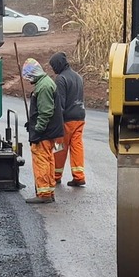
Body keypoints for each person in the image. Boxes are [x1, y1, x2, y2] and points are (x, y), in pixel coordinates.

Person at [21, 58, 62, 204]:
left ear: (32, 74)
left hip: (44, 132)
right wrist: (31, 123)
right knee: (48, 158)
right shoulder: (46, 83)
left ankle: (43, 194)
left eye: (28, 77)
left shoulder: (43, 87)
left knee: (41, 159)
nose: (28, 80)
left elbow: (45, 112)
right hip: (50, 131)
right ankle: (48, 191)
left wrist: (37, 129)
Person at [49, 52, 87, 188]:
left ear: (58, 65)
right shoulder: (78, 77)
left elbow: (60, 104)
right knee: (77, 146)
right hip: (80, 116)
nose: (53, 69)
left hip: (66, 119)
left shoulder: (61, 79)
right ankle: (79, 176)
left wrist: (55, 122)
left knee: (60, 147)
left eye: (53, 66)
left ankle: (55, 175)